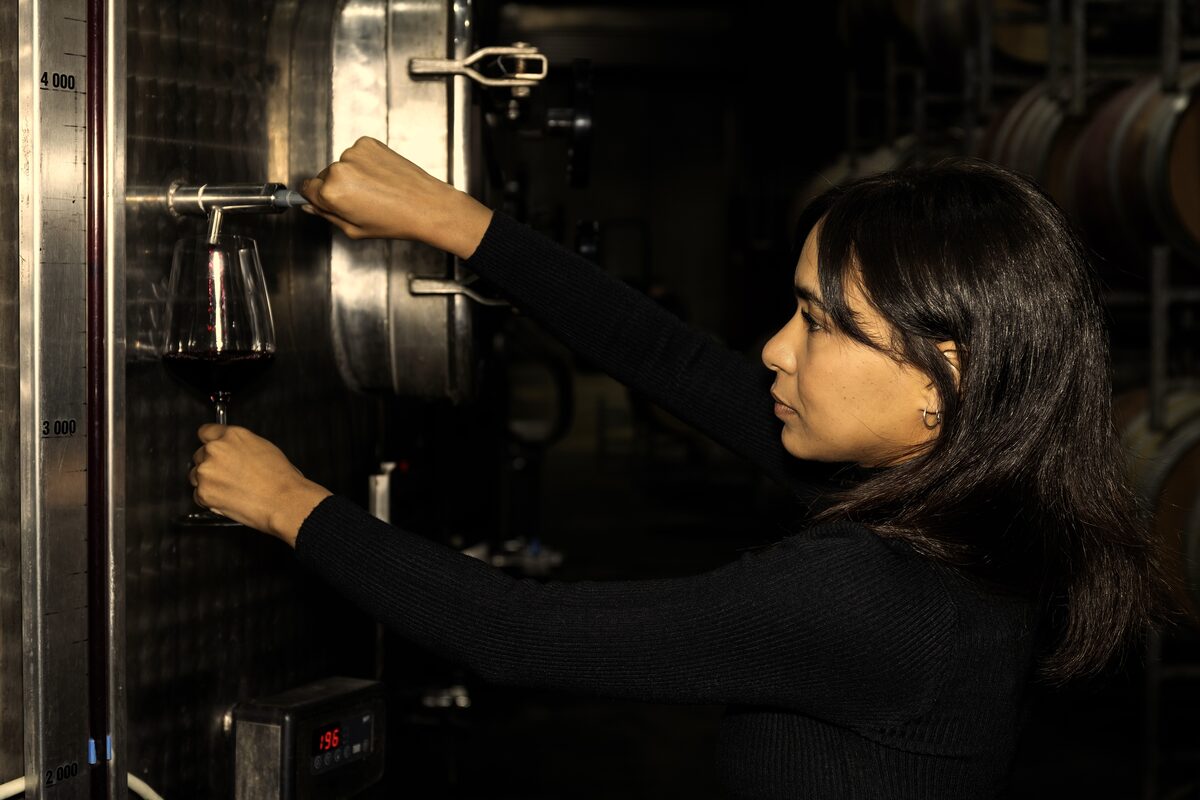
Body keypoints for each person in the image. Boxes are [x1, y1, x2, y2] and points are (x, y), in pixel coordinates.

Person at [188, 137, 1171, 799]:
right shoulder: (969, 501)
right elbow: (672, 358)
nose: (778, 348)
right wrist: (452, 220)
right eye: (796, 307)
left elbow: (517, 634)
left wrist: (288, 501)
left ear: (940, 377)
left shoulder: (878, 594)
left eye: (826, 326)